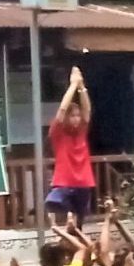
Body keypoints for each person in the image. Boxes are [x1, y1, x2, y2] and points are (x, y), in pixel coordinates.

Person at [46, 66, 95, 226]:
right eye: (73, 116)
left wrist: (81, 87)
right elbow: (62, 109)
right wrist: (73, 85)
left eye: (78, 116)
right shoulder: (58, 132)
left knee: (79, 222)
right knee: (57, 207)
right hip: (64, 182)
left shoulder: (81, 131)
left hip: (83, 182)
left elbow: (87, 110)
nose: (76, 119)